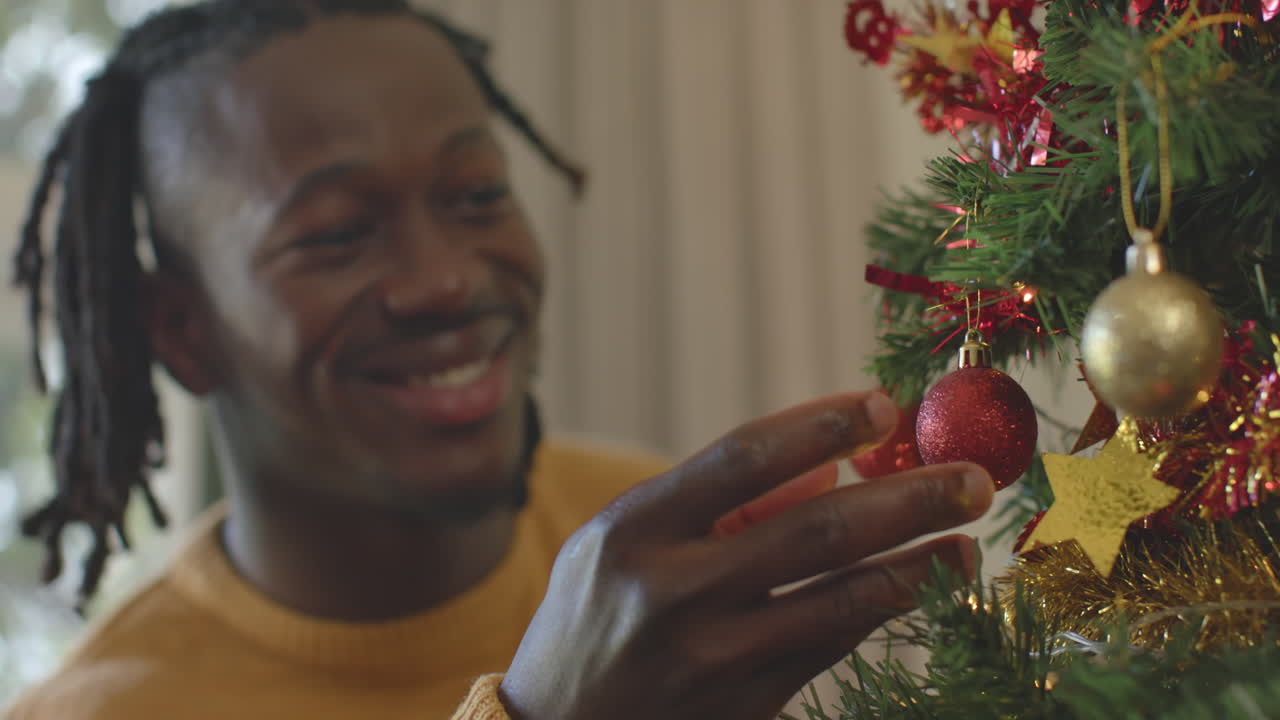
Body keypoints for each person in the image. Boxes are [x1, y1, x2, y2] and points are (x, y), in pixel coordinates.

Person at [4, 2, 995, 718]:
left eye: (475, 195)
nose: (442, 280)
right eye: (337, 234)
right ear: (179, 327)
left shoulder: (653, 546)